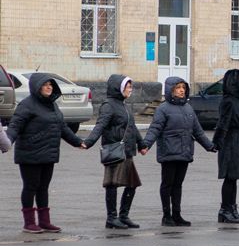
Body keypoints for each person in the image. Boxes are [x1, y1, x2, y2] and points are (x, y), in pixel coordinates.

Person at [6, 72, 85, 233]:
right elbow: (15, 126)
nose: (49, 87)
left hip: (48, 153)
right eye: (45, 85)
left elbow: (62, 127)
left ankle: (44, 222)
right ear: (37, 87)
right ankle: (29, 223)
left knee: (43, 188)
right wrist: (6, 142)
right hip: (29, 153)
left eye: (51, 85)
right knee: (30, 187)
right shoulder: (27, 105)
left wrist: (78, 142)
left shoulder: (52, 105)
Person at [143, 77, 215, 227]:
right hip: (169, 151)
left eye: (183, 87)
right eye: (178, 88)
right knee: (167, 184)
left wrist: (210, 146)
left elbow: (198, 131)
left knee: (178, 185)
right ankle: (166, 216)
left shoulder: (188, 108)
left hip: (184, 151)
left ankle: (177, 215)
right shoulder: (163, 108)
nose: (182, 90)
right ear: (170, 90)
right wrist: (146, 145)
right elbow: (155, 128)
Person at [83, 75, 149, 229]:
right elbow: (100, 125)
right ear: (119, 87)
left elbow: (131, 127)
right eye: (128, 86)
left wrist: (141, 144)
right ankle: (111, 218)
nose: (130, 89)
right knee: (112, 184)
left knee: (132, 184)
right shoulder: (108, 105)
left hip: (127, 151)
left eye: (131, 87)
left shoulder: (123, 105)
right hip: (115, 150)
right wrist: (88, 142)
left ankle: (124, 216)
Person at [213, 69, 239, 224]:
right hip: (231, 144)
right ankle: (225, 209)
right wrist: (217, 142)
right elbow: (223, 123)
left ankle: (232, 208)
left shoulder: (236, 101)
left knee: (234, 178)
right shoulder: (228, 101)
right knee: (230, 178)